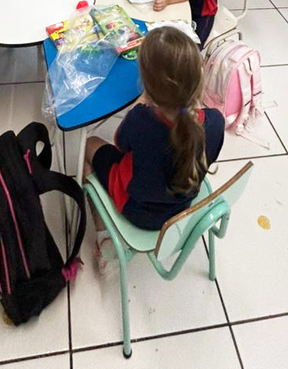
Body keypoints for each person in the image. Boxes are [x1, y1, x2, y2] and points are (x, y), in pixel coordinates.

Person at [83, 25, 224, 268]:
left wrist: (141, 103)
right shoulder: (215, 123)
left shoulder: (140, 120)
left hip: (137, 210)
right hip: (182, 208)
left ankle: (104, 235)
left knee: (89, 144)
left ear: (147, 88)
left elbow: (121, 143)